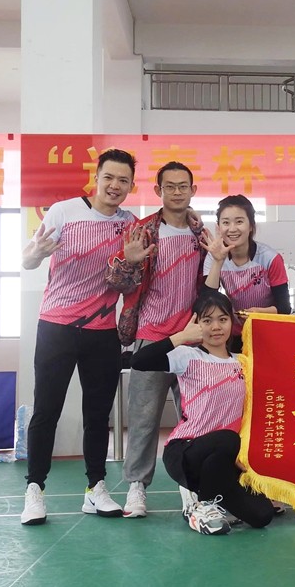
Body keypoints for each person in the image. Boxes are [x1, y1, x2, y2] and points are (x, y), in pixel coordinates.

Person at [20, 148, 137, 526]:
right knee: (46, 410)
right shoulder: (64, 212)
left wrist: (133, 263)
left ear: (131, 186)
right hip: (56, 327)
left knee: (97, 415)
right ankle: (34, 490)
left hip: (102, 332)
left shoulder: (131, 225)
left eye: (123, 180)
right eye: (109, 177)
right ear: (96, 177)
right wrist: (36, 254)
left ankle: (95, 488)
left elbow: (131, 280)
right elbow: (28, 260)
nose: (115, 185)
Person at [106, 161, 206, 518]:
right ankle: (136, 487)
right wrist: (130, 262)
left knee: (196, 417)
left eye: (183, 186)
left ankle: (193, 485)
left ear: (193, 190)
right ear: (158, 191)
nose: (177, 192)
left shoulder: (201, 234)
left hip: (192, 339)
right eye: (170, 186)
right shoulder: (142, 232)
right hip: (151, 338)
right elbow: (117, 284)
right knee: (144, 418)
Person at [130, 290, 276, 535]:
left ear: (232, 322)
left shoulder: (243, 362)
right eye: (207, 320)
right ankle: (201, 506)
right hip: (186, 451)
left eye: (222, 319)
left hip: (225, 459)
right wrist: (180, 337)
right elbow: (139, 361)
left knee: (262, 515)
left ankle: (211, 498)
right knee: (227, 438)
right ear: (197, 324)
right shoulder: (187, 356)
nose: (216, 327)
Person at [203, 194, 291, 352]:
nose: (232, 229)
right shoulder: (213, 256)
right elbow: (207, 300)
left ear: (251, 226)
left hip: (267, 331)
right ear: (219, 227)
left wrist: (259, 313)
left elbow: (284, 308)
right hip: (234, 335)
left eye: (239, 221)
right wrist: (218, 261)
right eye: (226, 222)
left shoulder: (270, 258)